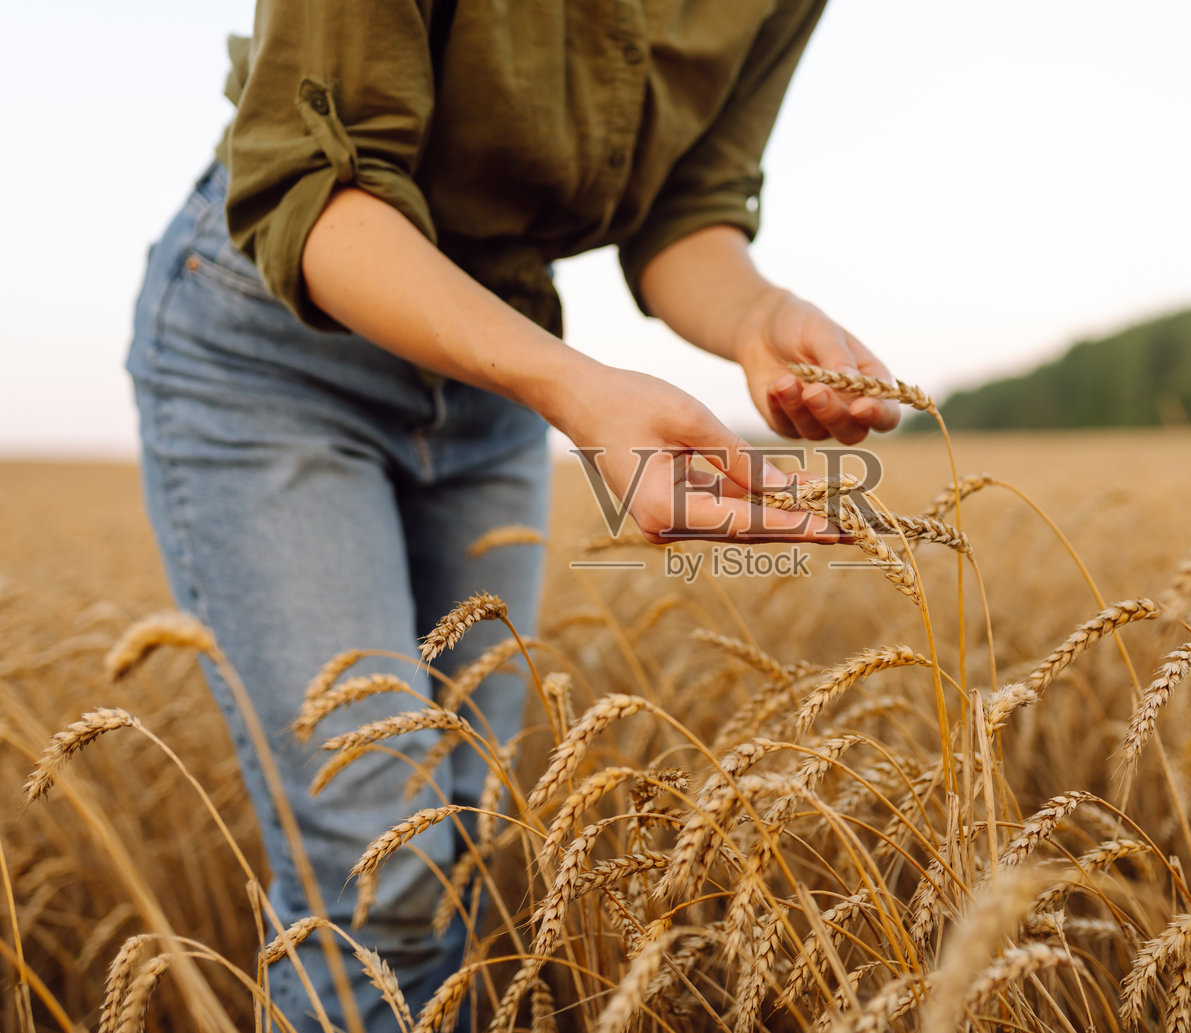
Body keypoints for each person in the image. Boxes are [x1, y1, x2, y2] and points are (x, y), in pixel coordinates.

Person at [126, 0, 903, 1027]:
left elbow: (687, 207)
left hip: (496, 372)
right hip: (273, 359)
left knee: (471, 833)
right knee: (375, 856)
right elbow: (316, 194)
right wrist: (572, 389)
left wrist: (757, 317)